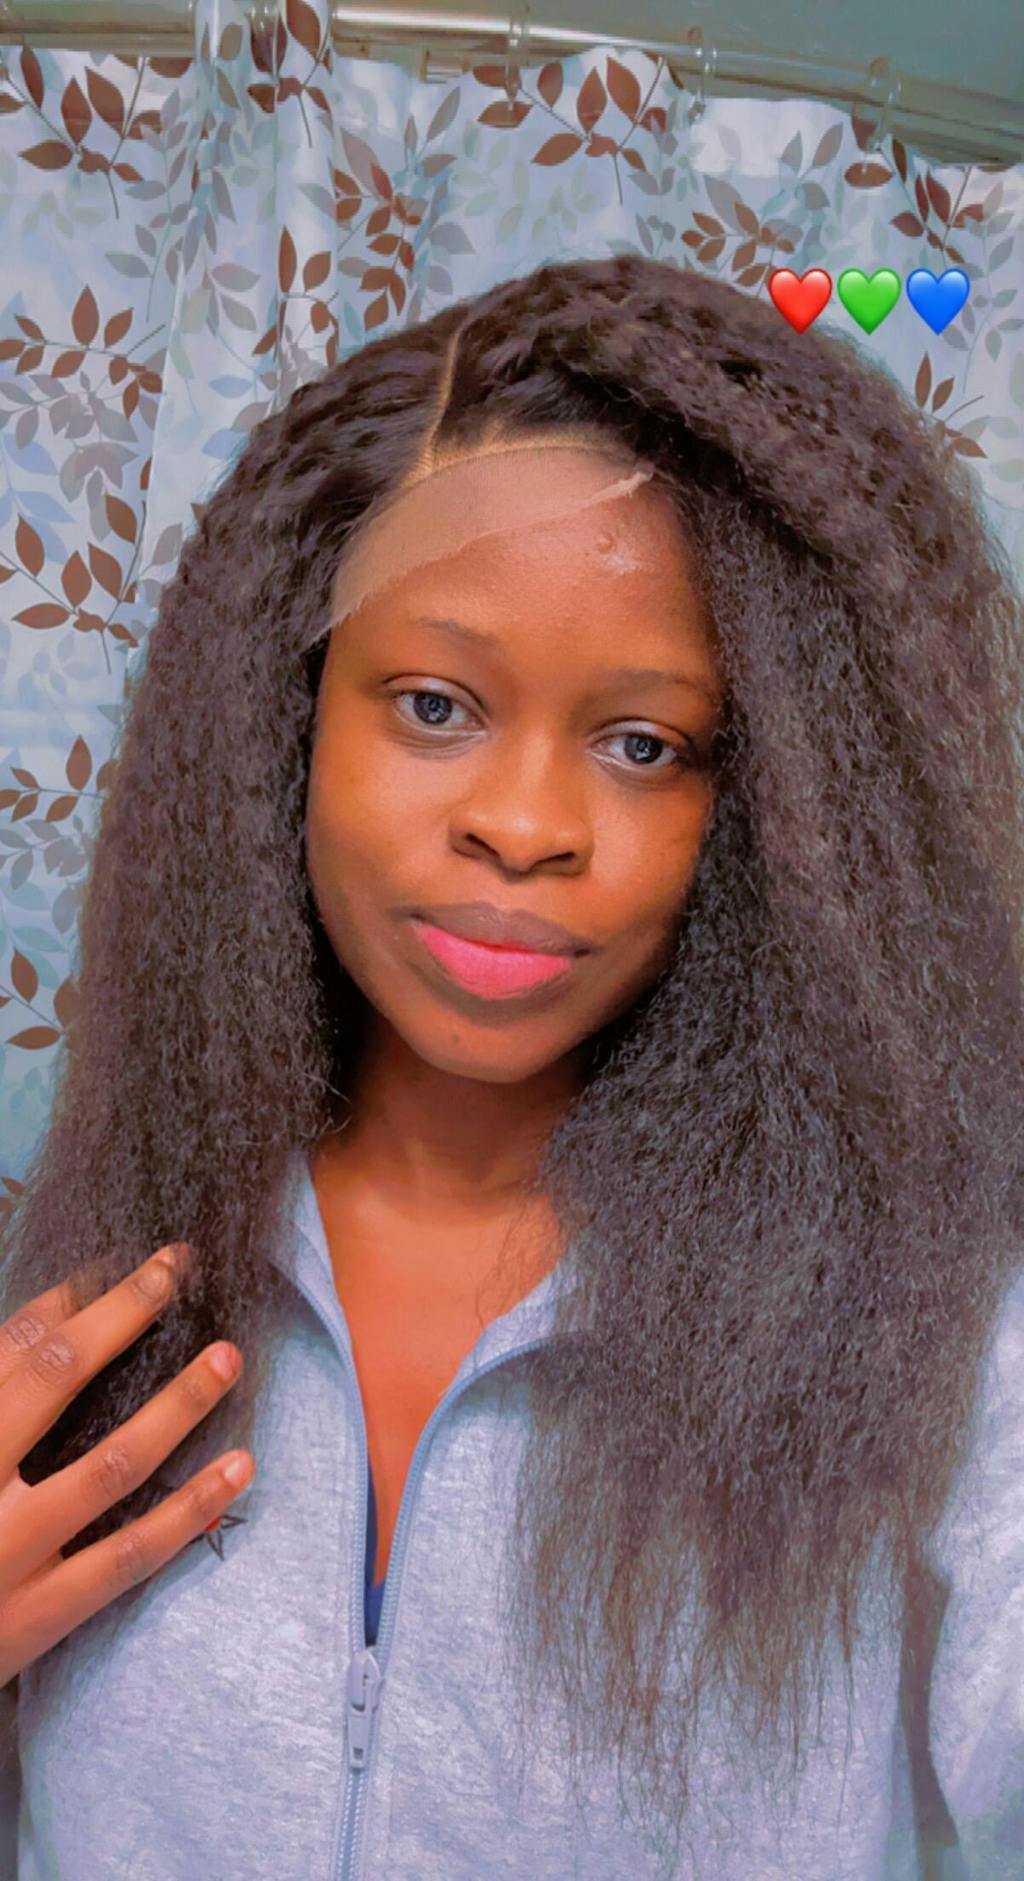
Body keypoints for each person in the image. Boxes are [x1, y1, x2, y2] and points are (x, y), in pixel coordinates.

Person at [0, 252, 1022, 1879]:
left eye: (644, 744)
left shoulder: (943, 1332)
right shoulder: (73, 1279)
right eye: (433, 704)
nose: (526, 823)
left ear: (773, 810)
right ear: (288, 720)